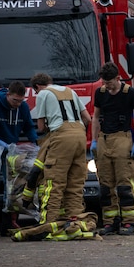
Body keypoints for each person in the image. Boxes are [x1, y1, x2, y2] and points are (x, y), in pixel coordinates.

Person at [28, 72, 91, 228]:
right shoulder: (70, 91)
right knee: (75, 183)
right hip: (80, 136)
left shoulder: (43, 94)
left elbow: (41, 126)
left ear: (37, 87)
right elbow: (88, 119)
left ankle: (48, 223)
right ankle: (75, 222)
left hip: (61, 137)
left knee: (54, 181)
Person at [90, 63, 134, 235]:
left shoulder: (130, 93)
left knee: (124, 183)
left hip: (123, 138)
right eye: (105, 83)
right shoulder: (100, 93)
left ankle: (130, 222)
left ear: (117, 78)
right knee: (105, 185)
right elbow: (96, 117)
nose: (108, 86)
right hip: (104, 140)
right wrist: (94, 141)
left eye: (110, 83)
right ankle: (110, 222)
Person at [0, 81, 41, 226]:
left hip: (11, 152)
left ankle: (11, 221)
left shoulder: (23, 107)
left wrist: (35, 143)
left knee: (13, 188)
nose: (17, 104)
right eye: (15, 100)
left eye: (21, 101)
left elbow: (28, 127)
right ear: (8, 95)